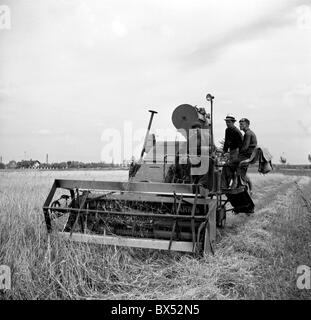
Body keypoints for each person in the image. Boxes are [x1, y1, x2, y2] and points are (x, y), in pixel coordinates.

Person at [220, 115, 243, 188]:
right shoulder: (227, 130)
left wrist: (239, 155)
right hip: (231, 152)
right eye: (226, 122)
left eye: (229, 122)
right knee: (228, 167)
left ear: (233, 122)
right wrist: (224, 151)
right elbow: (226, 142)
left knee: (229, 167)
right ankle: (225, 186)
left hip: (237, 152)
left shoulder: (237, 132)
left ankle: (230, 185)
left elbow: (241, 145)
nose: (227, 123)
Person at [237, 118, 257, 188]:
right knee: (242, 174)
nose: (240, 125)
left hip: (246, 156)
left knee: (238, 172)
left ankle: (245, 188)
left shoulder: (248, 134)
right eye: (240, 124)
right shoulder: (249, 133)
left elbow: (245, 147)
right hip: (248, 156)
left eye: (242, 124)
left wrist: (237, 153)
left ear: (247, 125)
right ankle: (247, 188)